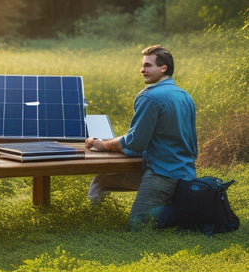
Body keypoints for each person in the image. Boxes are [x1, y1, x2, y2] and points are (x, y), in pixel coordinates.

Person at [85, 45, 198, 230]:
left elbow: (135, 144)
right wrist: (112, 143)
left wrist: (104, 145)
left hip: (162, 173)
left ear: (163, 68)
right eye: (142, 65)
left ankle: (186, 213)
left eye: (148, 65)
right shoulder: (185, 96)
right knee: (102, 180)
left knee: (139, 222)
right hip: (186, 171)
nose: (142, 70)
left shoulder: (150, 97)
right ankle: (93, 219)